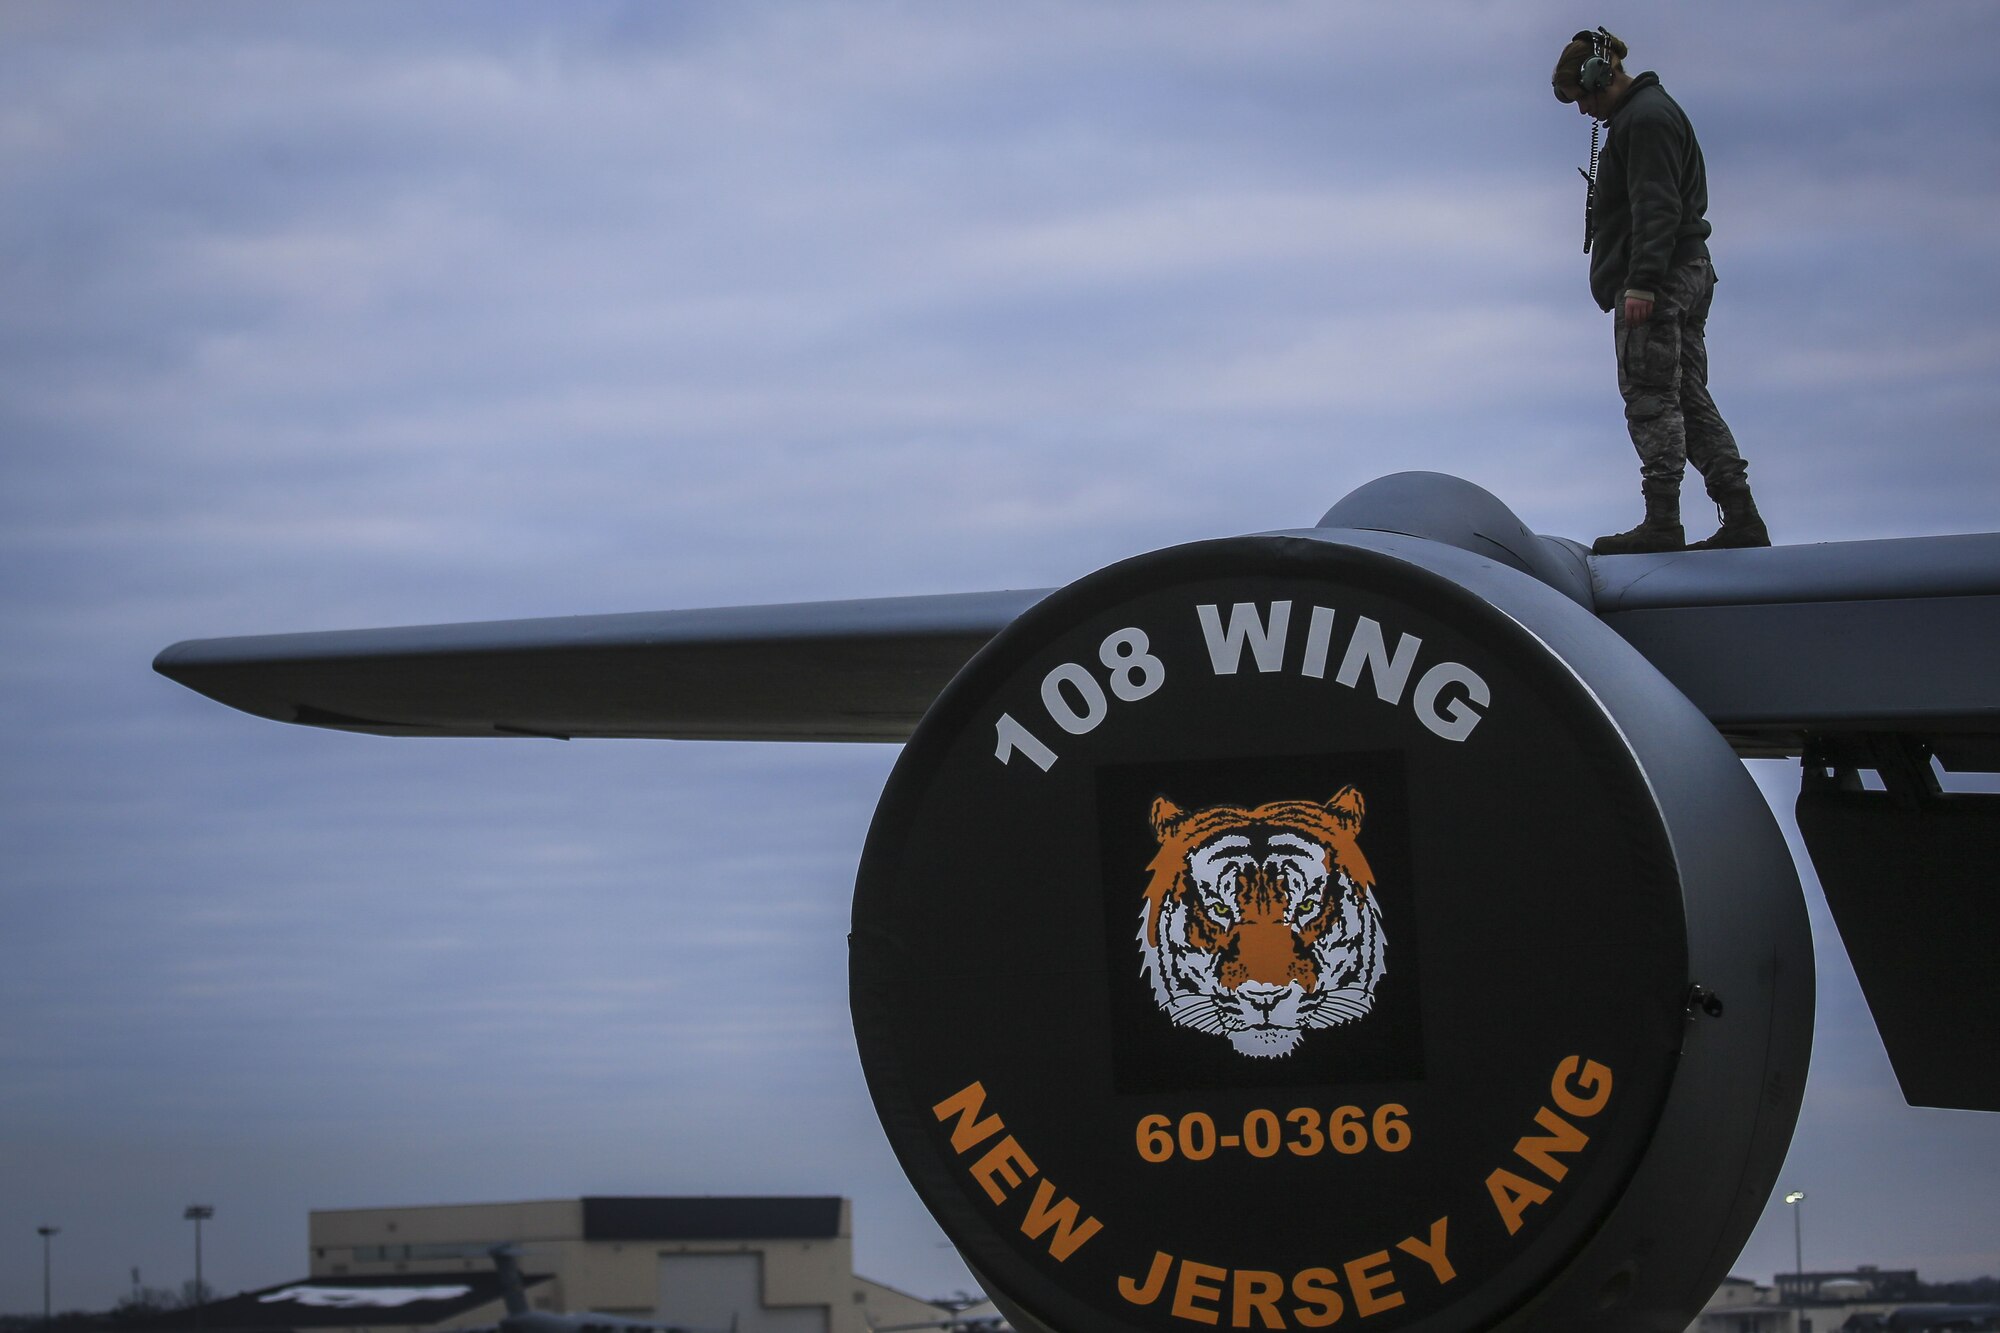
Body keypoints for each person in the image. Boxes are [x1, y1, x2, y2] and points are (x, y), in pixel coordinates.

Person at [1553, 28, 1770, 554]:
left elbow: (1657, 206)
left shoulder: (1644, 120)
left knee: (1651, 398)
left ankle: (1662, 522)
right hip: (1687, 271)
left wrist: (1643, 283)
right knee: (1689, 399)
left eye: (1581, 97)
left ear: (1598, 78)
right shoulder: (1646, 114)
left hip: (1661, 279)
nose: (1583, 111)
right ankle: (1740, 516)